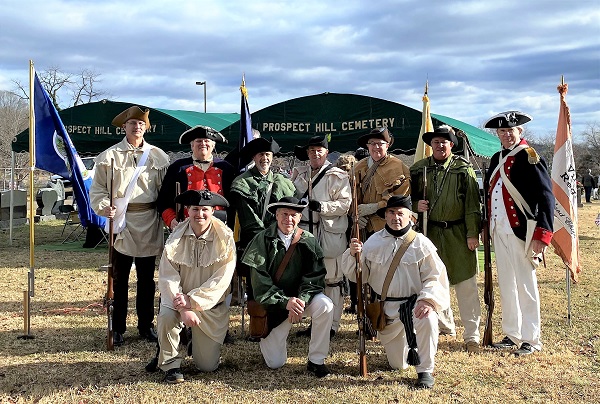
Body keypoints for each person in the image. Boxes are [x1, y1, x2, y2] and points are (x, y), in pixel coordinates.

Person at [342, 195, 450, 389]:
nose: (395, 217)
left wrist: (427, 300)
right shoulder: (373, 242)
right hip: (386, 313)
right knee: (398, 365)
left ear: (410, 216)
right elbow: (359, 276)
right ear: (385, 215)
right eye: (391, 212)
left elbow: (435, 277)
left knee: (428, 317)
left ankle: (425, 371)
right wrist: (353, 255)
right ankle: (407, 347)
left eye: (400, 213)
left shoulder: (421, 243)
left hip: (414, 306)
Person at [90, 105, 170, 345]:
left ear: (146, 128)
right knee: (119, 278)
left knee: (147, 279)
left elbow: (165, 192)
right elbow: (98, 190)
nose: (137, 127)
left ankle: (146, 325)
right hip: (122, 222)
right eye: (133, 123)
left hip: (149, 221)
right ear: (124, 127)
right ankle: (118, 327)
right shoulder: (108, 157)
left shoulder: (159, 156)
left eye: (141, 124)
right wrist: (104, 207)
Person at [484, 111, 554, 356]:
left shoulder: (529, 156)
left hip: (521, 230)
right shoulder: (496, 158)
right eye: (502, 131)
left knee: (525, 285)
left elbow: (546, 197)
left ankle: (531, 338)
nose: (506, 134)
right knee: (507, 284)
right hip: (498, 229)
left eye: (510, 130)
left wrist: (542, 235)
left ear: (520, 131)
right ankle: (512, 333)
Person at [241, 196, 334, 377]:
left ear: (299, 217)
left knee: (326, 305)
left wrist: (301, 300)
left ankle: (316, 360)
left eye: (293, 215)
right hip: (274, 307)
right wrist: (286, 302)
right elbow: (260, 283)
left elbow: (315, 276)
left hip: (300, 301)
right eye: (284, 214)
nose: (288, 219)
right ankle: (272, 340)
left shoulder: (308, 240)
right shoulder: (262, 239)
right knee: (275, 363)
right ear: (276, 215)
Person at [410, 125, 482, 353]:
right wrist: (416, 205)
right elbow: (406, 200)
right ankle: (442, 326)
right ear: (430, 144)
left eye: (444, 141)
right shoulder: (419, 169)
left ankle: (472, 336)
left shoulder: (463, 169)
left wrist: (472, 233)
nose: (440, 145)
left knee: (466, 285)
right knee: (431, 282)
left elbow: (473, 204)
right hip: (430, 233)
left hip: (458, 233)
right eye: (436, 141)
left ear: (452, 144)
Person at [156, 189, 236, 384]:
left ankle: (195, 341)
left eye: (205, 210)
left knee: (207, 366)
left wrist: (193, 301)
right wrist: (184, 307)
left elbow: (221, 280)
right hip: (178, 301)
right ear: (188, 211)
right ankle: (170, 365)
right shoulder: (175, 237)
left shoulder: (225, 238)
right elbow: (168, 276)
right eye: (195, 209)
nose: (200, 214)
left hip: (209, 305)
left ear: (213, 211)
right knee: (166, 315)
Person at [291, 135, 351, 339]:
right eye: (311, 150)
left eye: (319, 150)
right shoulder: (300, 174)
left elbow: (345, 204)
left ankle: (332, 325)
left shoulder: (338, 176)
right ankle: (317, 323)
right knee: (311, 279)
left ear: (326, 152)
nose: (315, 154)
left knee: (332, 280)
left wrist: (323, 207)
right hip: (306, 233)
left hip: (329, 233)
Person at [157, 125, 235, 230]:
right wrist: (171, 219)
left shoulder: (226, 168)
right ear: (192, 145)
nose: (203, 144)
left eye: (207, 141)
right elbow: (163, 200)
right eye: (198, 141)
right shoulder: (177, 168)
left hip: (219, 227)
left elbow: (233, 201)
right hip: (186, 226)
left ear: (213, 145)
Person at [230, 137, 296, 250]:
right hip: (253, 243)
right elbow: (248, 220)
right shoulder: (242, 182)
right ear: (253, 157)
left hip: (279, 241)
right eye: (261, 154)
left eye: (267, 154)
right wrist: (265, 239)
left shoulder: (282, 181)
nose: (265, 158)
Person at [354, 127, 411, 235]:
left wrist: (375, 207)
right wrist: (355, 215)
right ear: (367, 146)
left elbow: (402, 196)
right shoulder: (358, 167)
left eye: (380, 143)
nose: (376, 147)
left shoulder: (398, 166)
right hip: (363, 229)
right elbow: (348, 195)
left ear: (387, 145)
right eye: (372, 143)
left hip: (388, 225)